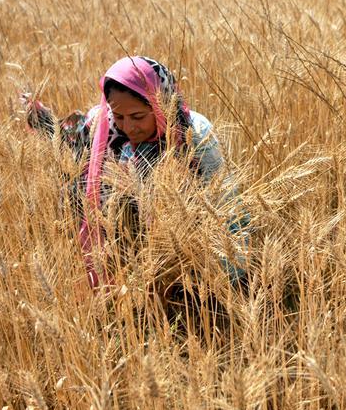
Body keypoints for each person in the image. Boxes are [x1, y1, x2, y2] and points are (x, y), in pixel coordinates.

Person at [22, 56, 249, 299]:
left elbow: (225, 207)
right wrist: (41, 120)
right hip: (133, 256)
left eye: (138, 117)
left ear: (161, 104)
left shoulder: (195, 134)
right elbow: (70, 143)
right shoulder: (104, 124)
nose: (128, 127)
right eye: (119, 116)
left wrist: (230, 283)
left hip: (194, 259)